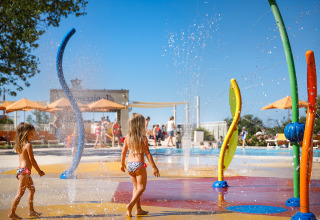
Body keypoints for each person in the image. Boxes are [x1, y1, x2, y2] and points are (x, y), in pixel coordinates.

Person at [120, 113, 160, 217]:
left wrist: (122, 164)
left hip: (129, 165)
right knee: (141, 188)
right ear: (140, 125)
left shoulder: (128, 137)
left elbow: (123, 152)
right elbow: (148, 154)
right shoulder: (143, 138)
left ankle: (138, 209)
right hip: (139, 165)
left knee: (135, 188)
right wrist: (154, 167)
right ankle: (130, 205)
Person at [8, 122, 45, 219]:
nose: (33, 136)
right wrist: (39, 171)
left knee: (32, 190)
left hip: (22, 171)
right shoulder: (28, 145)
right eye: (31, 134)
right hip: (24, 172)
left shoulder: (20, 144)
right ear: (25, 133)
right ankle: (12, 213)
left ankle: (31, 211)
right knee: (20, 193)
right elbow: (32, 160)